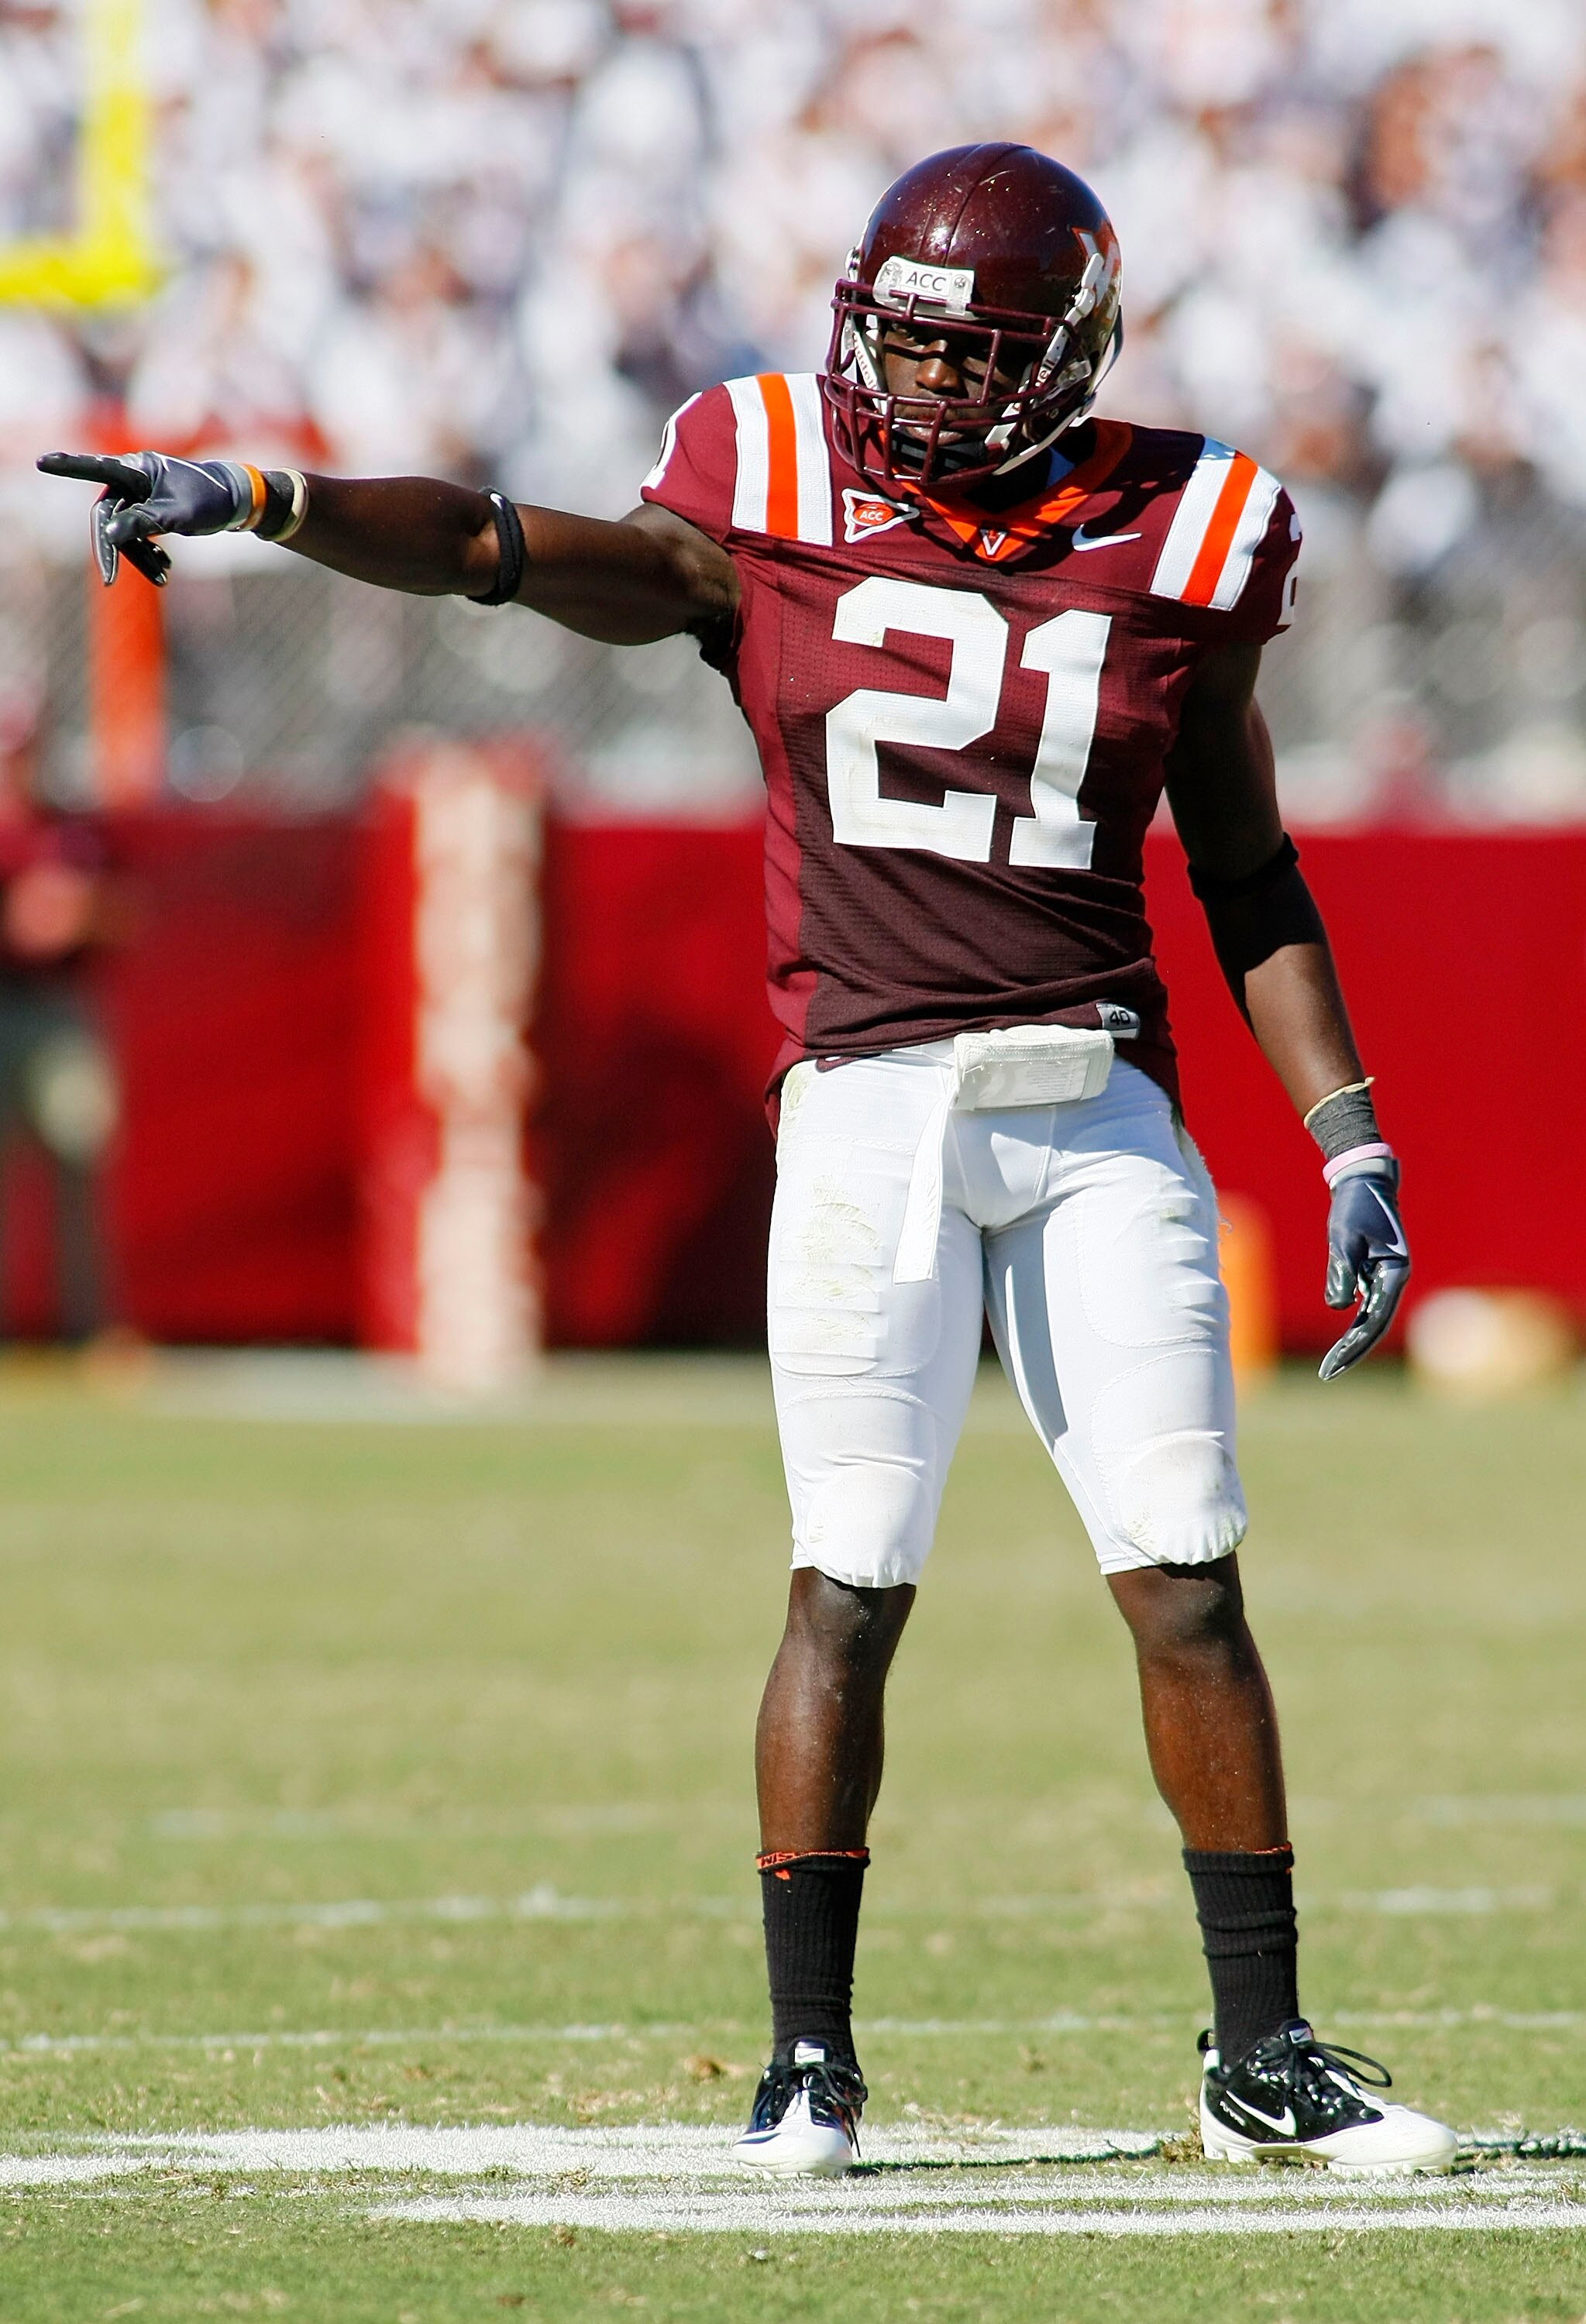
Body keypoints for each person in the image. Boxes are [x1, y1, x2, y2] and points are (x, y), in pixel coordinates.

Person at [40, 142, 1454, 2180]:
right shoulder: (773, 481)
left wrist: (1347, 1136)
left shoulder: (1187, 524)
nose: (923, 387)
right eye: (903, 344)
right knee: (851, 1581)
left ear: (1069, 361)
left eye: (970, 358)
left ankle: (1263, 2057)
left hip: (1092, 1114)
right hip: (871, 1102)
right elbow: (509, 550)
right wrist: (269, 497)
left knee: (1187, 1582)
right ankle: (812, 2063)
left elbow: (1244, 857)